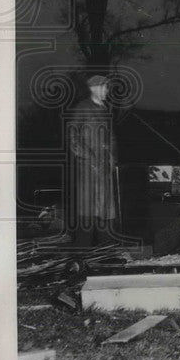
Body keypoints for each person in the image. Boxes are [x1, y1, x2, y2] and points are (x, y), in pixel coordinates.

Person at [66, 74, 117, 247]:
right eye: (104, 87)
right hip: (87, 168)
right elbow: (72, 134)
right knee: (87, 209)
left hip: (104, 168)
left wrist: (111, 156)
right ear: (94, 88)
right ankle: (82, 251)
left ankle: (106, 251)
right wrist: (87, 156)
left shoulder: (105, 109)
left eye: (107, 87)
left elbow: (110, 136)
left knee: (105, 210)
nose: (107, 91)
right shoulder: (83, 107)